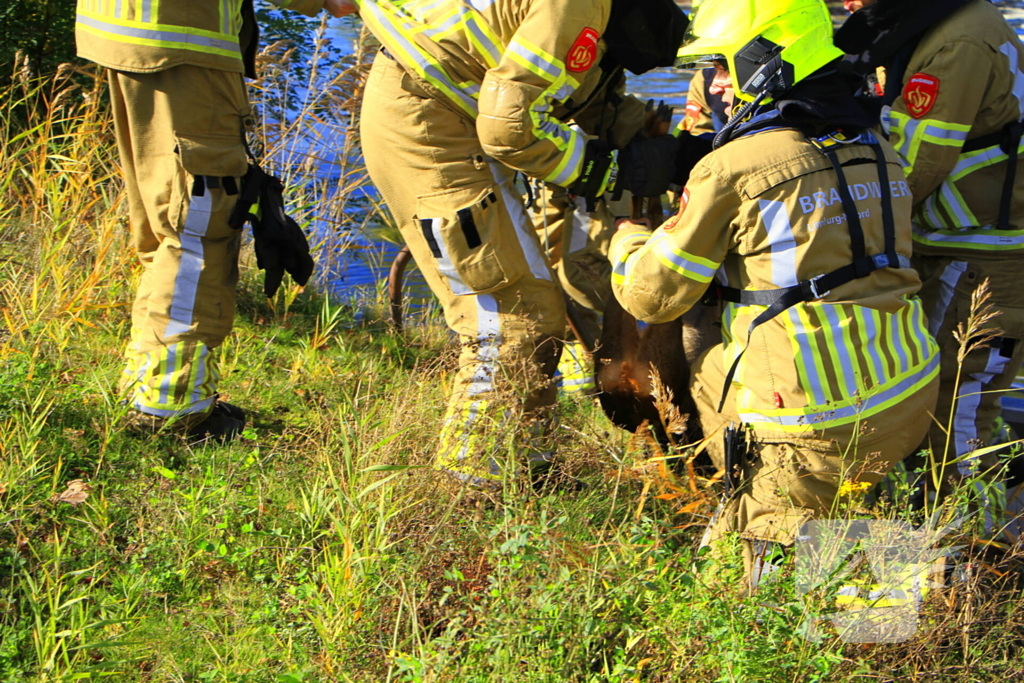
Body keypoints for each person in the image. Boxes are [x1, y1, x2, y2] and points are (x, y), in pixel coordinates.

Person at [609, 0, 939, 591]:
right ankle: (877, 597)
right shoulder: (876, 145)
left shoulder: (732, 167)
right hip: (908, 394)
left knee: (739, 596)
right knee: (862, 567)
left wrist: (628, 239)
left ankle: (889, 595)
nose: (714, 83)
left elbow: (651, 298)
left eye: (723, 66)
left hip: (810, 423)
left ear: (767, 60)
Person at [341, 0, 701, 487]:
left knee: (538, 310)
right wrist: (609, 170)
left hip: (454, 110)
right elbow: (510, 128)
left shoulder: (599, 14)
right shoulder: (580, 5)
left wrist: (677, 154)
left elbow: (588, 92)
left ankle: (530, 471)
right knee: (510, 316)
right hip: (428, 123)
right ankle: (468, 485)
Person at [75, 0, 351, 441]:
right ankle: (171, 408)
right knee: (197, 231)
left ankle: (146, 384)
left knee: (164, 228)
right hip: (185, 43)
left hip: (129, 36)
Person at [836, 0, 1024, 543]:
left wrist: (838, 227)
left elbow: (912, 169)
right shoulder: (954, 21)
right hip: (971, 245)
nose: (848, 3)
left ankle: (975, 556)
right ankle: (948, 541)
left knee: (956, 407)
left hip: (979, 256)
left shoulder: (955, 43)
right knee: (960, 403)